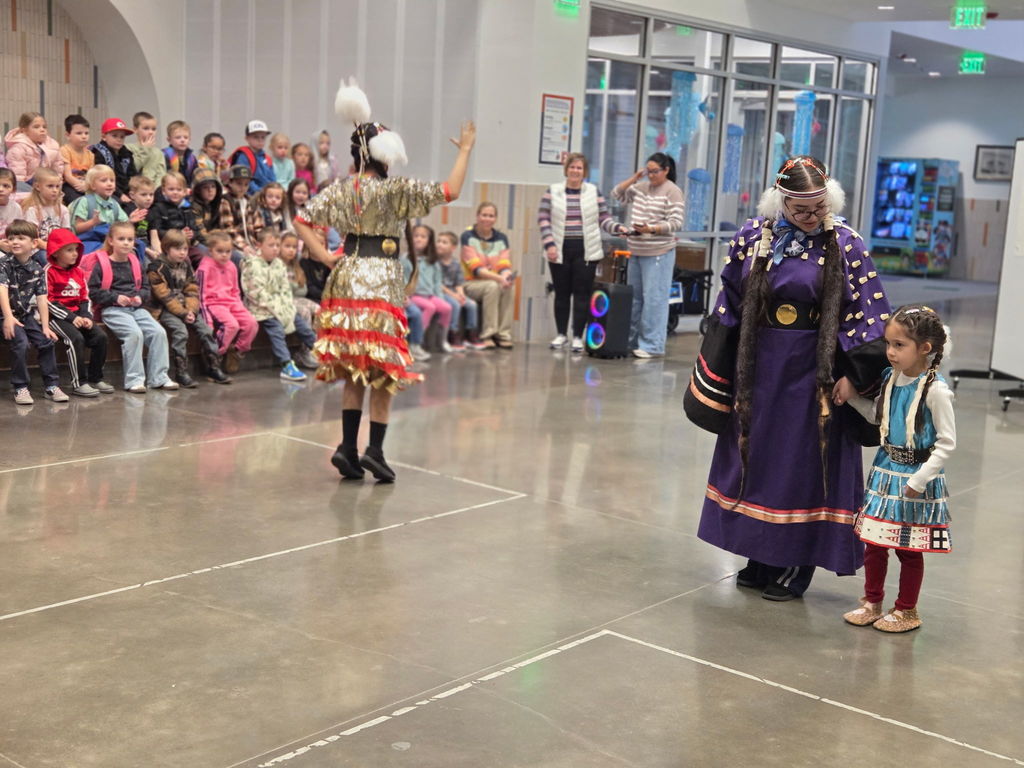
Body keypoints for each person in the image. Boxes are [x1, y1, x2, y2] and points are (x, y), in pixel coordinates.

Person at [693, 156, 891, 601]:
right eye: (800, 209)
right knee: (756, 458)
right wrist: (720, 371)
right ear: (780, 202)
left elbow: (869, 314)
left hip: (813, 373)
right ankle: (758, 555)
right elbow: (729, 300)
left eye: (818, 207)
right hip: (759, 370)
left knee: (800, 465)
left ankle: (795, 563)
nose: (810, 217)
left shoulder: (846, 244)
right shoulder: (752, 236)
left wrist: (855, 378)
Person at [294, 77, 474, 482]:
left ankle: (346, 448)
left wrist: (324, 255)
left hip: (347, 277)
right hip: (381, 282)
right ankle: (374, 450)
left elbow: (301, 219)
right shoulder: (396, 191)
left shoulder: (341, 190)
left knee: (356, 367)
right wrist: (464, 151)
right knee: (384, 368)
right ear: (384, 156)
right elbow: (452, 189)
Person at [838, 305, 955, 633]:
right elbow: (879, 418)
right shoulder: (890, 379)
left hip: (914, 478)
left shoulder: (936, 391)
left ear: (925, 349)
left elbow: (947, 443)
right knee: (874, 542)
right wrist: (850, 397)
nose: (890, 352)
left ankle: (907, 609)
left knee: (907, 548)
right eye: (888, 344)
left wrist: (919, 480)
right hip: (884, 472)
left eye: (899, 345)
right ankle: (871, 602)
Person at [539, 152, 628, 353]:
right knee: (561, 295)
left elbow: (604, 218)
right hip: (559, 251)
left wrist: (617, 228)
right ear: (566, 169)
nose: (575, 171)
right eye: (572, 167)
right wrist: (549, 245)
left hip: (586, 251)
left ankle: (578, 336)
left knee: (582, 294)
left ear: (584, 171)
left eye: (579, 168)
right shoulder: (552, 191)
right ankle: (561, 334)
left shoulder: (593, 192)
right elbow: (543, 219)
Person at [83, 221, 177, 393]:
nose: (126, 242)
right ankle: (134, 380)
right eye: (121, 239)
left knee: (158, 332)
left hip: (136, 309)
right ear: (111, 241)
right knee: (134, 334)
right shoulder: (102, 264)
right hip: (113, 309)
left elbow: (146, 289)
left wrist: (139, 298)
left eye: (130, 239)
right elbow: (93, 292)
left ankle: (159, 377)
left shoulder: (135, 262)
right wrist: (116, 297)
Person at [612, 152, 685, 358]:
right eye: (648, 171)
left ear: (666, 170)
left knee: (654, 299)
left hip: (658, 252)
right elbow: (616, 194)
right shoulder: (640, 187)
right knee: (635, 299)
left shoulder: (672, 191)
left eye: (655, 171)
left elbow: (676, 222)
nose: (651, 176)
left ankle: (652, 345)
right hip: (636, 249)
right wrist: (635, 178)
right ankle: (632, 341)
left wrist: (651, 228)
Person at [147, 228, 230, 386]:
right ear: (166, 248)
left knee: (206, 330)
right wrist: (184, 313)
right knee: (181, 332)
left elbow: (192, 289)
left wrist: (191, 310)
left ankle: (213, 367)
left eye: (185, 249)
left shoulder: (186, 264)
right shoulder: (156, 268)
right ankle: (181, 372)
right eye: (177, 249)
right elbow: (164, 296)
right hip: (165, 309)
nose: (182, 253)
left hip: (186, 308)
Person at [0, 220, 68, 404]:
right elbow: (2, 290)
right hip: (4, 315)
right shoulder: (4, 264)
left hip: (24, 314)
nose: (15, 242)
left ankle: (51, 386)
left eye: (21, 238)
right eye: (11, 238)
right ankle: (20, 387)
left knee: (46, 341)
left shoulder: (37, 269)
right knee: (21, 343)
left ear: (34, 243)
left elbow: (41, 299)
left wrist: (45, 326)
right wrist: (8, 318)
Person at [241, 229, 318, 381]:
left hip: (281, 306)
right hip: (262, 309)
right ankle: (286, 364)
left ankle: (323, 354)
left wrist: (286, 306)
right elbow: (255, 293)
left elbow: (285, 289)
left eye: (277, 245)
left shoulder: (279, 264)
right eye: (271, 245)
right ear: (259, 245)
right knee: (276, 330)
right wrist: (276, 308)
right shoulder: (251, 265)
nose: (275, 249)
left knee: (301, 324)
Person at [44, 227, 112, 397]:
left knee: (100, 337)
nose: (75, 254)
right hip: (56, 318)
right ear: (56, 252)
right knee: (76, 338)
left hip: (77, 316)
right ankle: (78, 383)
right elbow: (47, 300)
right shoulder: (48, 272)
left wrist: (86, 317)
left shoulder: (79, 272)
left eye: (76, 249)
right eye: (69, 250)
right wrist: (71, 317)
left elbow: (84, 297)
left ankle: (95, 378)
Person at [196, 230, 259, 372]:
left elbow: (235, 291)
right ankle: (214, 354)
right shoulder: (205, 267)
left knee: (251, 324)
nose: (224, 255)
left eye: (228, 251)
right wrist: (208, 322)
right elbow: (201, 296)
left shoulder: (231, 266)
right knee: (232, 325)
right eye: (220, 251)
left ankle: (236, 352)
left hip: (232, 302)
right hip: (214, 303)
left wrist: (240, 307)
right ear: (210, 251)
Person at [461, 202, 514, 350]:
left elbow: (504, 263)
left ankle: (503, 335)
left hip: (494, 282)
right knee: (493, 286)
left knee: (507, 287)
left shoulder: (501, 238)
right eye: (484, 215)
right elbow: (476, 269)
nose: (487, 218)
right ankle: (488, 335)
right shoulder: (468, 236)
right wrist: (499, 278)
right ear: (477, 216)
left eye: (491, 216)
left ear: (495, 219)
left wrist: (507, 276)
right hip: (470, 283)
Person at [68, 166, 134, 254]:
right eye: (104, 180)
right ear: (93, 186)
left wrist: (131, 221)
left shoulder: (114, 204)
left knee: (135, 247)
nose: (109, 184)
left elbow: (120, 227)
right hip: (88, 241)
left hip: (108, 241)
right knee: (103, 252)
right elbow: (77, 228)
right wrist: (93, 222)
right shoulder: (85, 201)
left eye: (112, 180)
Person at [408, 224, 453, 353]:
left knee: (447, 307)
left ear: (429, 241)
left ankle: (443, 340)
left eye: (423, 236)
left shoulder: (432, 261)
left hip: (429, 295)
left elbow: (437, 282)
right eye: (416, 236)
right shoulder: (407, 259)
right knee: (430, 307)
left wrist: (440, 298)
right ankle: (417, 341)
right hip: (415, 296)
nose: (419, 239)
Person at [437, 230, 484, 351]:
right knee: (455, 304)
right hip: (441, 292)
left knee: (472, 304)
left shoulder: (455, 263)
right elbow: (438, 284)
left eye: (444, 242)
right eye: (438, 241)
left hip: (453, 292)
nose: (439, 244)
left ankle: (471, 334)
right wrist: (454, 296)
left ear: (453, 247)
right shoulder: (435, 262)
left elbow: (459, 283)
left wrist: (461, 295)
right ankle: (453, 333)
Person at [3, 112, 64, 198]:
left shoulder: (53, 147)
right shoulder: (18, 148)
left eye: (44, 127)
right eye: (36, 127)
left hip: (46, 184)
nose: (42, 130)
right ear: (24, 130)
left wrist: (56, 187)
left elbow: (58, 170)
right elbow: (18, 178)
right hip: (25, 185)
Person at [20, 168, 71, 255]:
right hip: (37, 250)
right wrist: (52, 249)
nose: (55, 190)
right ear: (38, 187)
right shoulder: (32, 210)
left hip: (57, 248)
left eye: (57, 186)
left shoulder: (63, 210)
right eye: (50, 186)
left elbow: (66, 234)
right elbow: (33, 237)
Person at [90, 117, 138, 204]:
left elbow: (133, 175)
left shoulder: (127, 154)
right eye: (114, 136)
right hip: (106, 192)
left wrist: (135, 191)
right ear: (104, 137)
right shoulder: (99, 153)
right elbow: (101, 179)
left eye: (122, 137)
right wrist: (120, 194)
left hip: (125, 191)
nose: (119, 139)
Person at [146, 172, 197, 253]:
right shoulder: (158, 208)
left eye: (179, 189)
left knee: (203, 253)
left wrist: (192, 234)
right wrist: (178, 235)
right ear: (163, 191)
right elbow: (157, 231)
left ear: (184, 191)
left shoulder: (187, 208)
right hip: (168, 246)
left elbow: (194, 228)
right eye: (171, 189)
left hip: (186, 245)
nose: (175, 192)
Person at [279, 231, 319, 327]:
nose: (291, 250)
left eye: (294, 247)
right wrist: (294, 285)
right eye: (287, 246)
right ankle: (308, 340)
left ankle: (319, 338)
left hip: (297, 299)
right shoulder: (277, 266)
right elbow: (283, 291)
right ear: (279, 247)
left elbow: (303, 291)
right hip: (283, 301)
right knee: (304, 312)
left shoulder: (296, 267)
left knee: (319, 309)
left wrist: (292, 285)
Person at [229, 120, 276, 195]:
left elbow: (272, 179)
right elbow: (244, 180)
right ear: (247, 138)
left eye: (263, 137)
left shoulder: (267, 158)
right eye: (256, 137)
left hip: (267, 195)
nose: (260, 140)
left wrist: (273, 191)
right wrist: (261, 193)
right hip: (250, 195)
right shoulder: (243, 156)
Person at [59, 114, 94, 204]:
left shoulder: (90, 154)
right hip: (69, 185)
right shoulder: (64, 150)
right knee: (79, 201)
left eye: (86, 133)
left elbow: (91, 175)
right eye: (79, 133)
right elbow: (67, 176)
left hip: (86, 185)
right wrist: (80, 185)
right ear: (68, 135)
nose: (84, 136)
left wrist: (86, 186)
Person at [128, 112, 166, 189]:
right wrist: (145, 149)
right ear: (135, 129)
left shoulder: (158, 153)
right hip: (134, 191)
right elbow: (133, 168)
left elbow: (161, 176)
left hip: (153, 193)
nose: (151, 132)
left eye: (154, 129)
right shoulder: (128, 148)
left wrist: (154, 191)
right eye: (146, 128)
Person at [162, 120, 198, 187]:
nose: (182, 140)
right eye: (178, 137)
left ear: (190, 139)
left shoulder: (192, 158)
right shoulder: (164, 155)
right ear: (169, 140)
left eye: (186, 137)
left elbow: (194, 178)